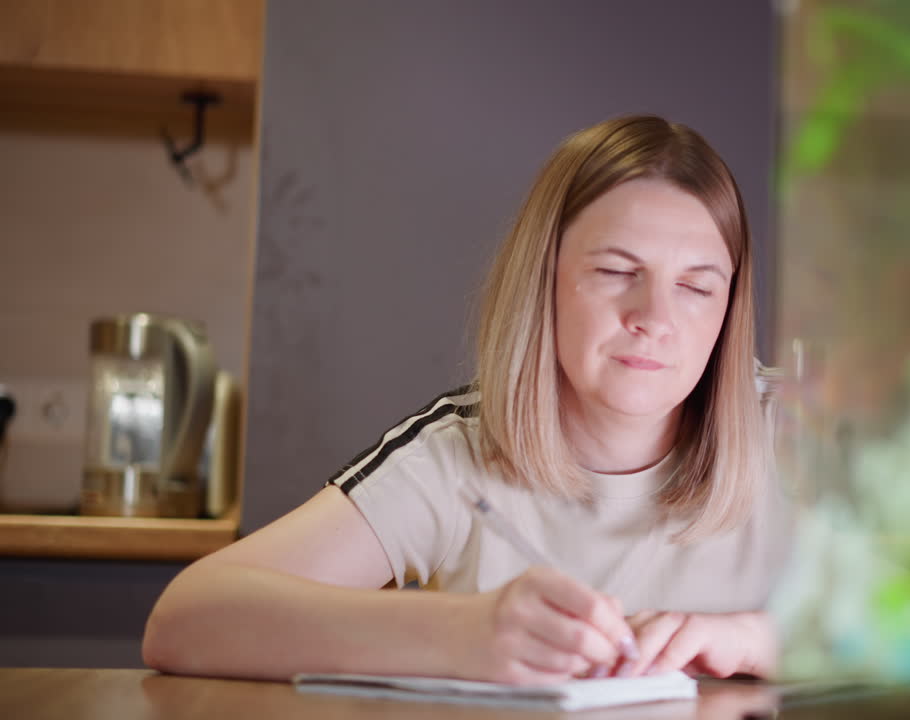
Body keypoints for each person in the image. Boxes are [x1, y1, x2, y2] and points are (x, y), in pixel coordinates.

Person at [143, 114, 792, 685]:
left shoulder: (795, 430)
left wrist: (754, 640)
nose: (654, 316)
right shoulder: (456, 455)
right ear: (545, 282)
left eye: (698, 287)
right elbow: (185, 619)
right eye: (617, 272)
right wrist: (458, 633)